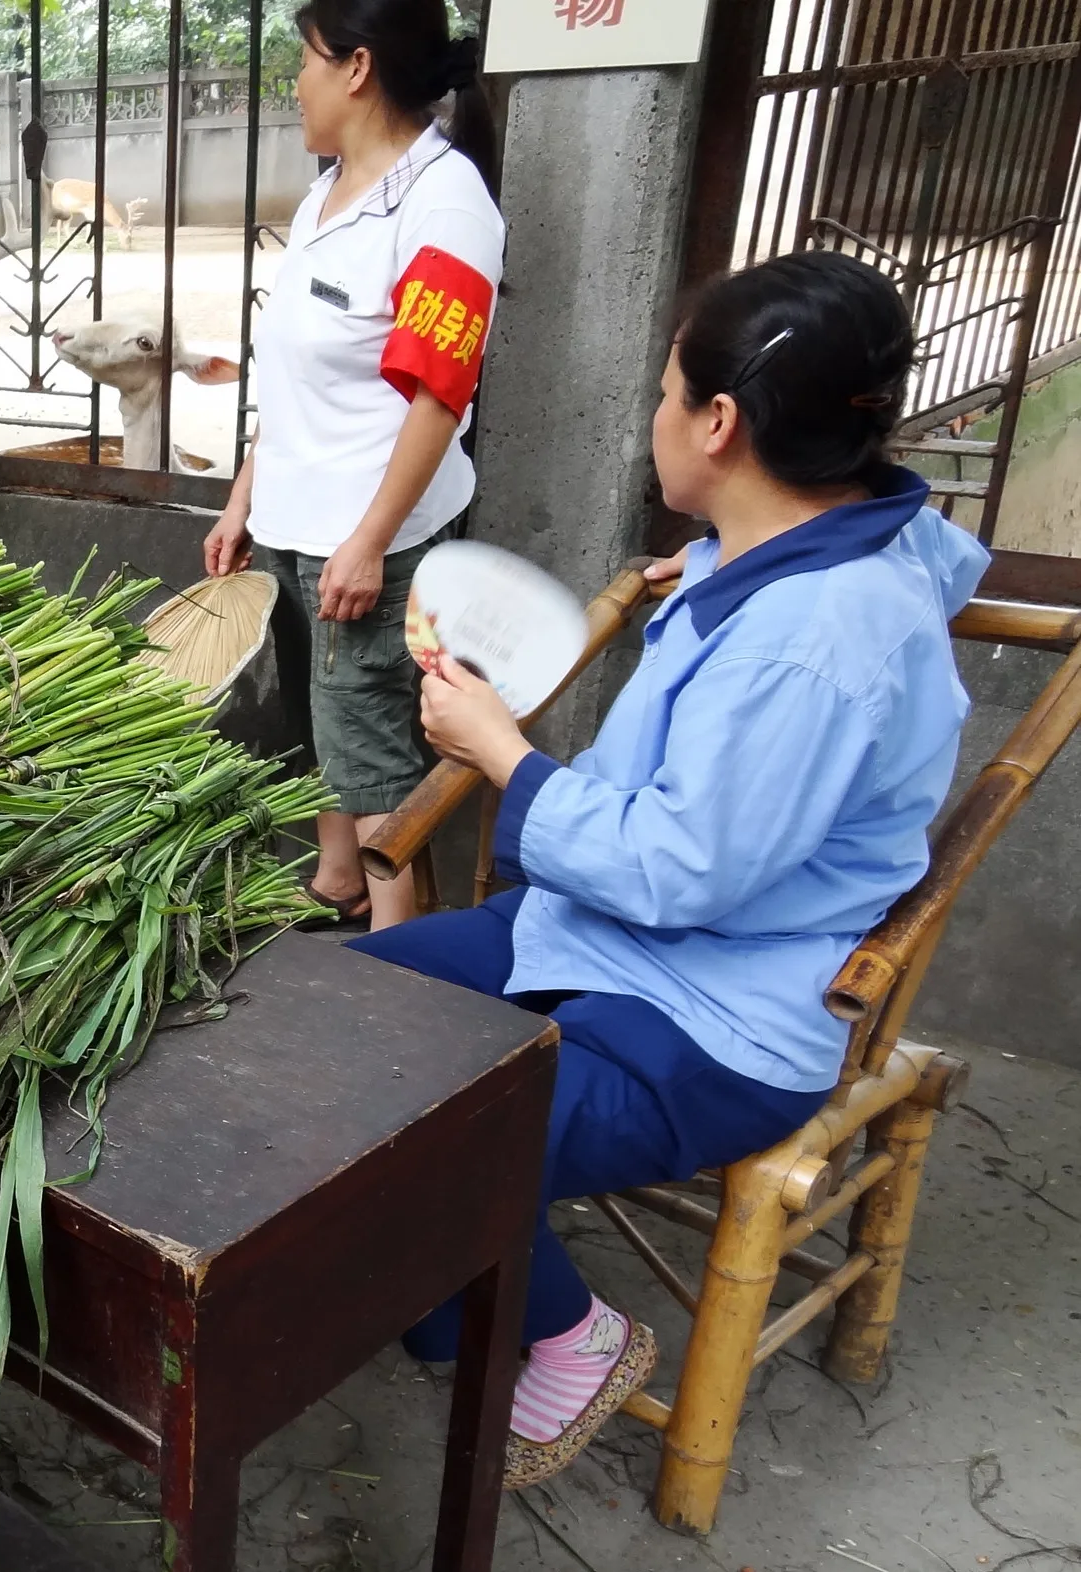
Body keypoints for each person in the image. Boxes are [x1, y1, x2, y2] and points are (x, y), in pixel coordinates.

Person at [354, 252, 980, 1487]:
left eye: (660, 394)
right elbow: (917, 567)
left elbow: (681, 874)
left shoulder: (812, 640)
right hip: (603, 937)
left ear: (720, 423)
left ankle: (564, 1337)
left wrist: (504, 758)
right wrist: (709, 568)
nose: (651, 421)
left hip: (717, 1020)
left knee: (398, 1131)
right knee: (333, 1012)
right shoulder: (837, 548)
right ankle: (441, 1286)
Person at [202, 0, 504, 932]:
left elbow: (438, 395)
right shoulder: (326, 195)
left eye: (305, 61)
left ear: (358, 68)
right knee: (326, 722)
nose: (295, 83)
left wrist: (370, 541)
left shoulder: (445, 203)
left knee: (369, 743)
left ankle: (394, 941)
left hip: (373, 535)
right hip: (300, 522)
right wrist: (242, 500)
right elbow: (293, 378)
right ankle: (338, 879)